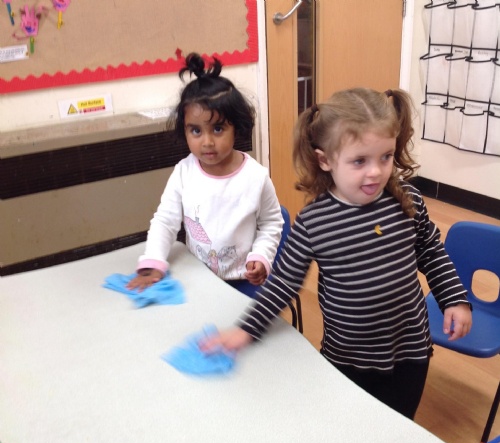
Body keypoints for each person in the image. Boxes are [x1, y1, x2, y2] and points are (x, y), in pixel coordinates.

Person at [201, 87, 472, 420]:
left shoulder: (408, 201)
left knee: (400, 425)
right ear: (325, 160)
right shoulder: (314, 222)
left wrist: (454, 299)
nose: (376, 171)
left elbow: (431, 251)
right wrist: (246, 330)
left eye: (385, 156)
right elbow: (283, 283)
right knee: (350, 428)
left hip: (409, 351)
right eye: (359, 161)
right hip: (347, 359)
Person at [127, 53, 283, 293]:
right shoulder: (183, 172)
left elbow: (271, 223)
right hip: (198, 278)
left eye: (218, 129)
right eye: (196, 131)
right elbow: (165, 221)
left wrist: (261, 256)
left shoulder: (256, 177)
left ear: (236, 127)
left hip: (243, 282)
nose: (207, 142)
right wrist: (154, 261)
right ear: (185, 131)